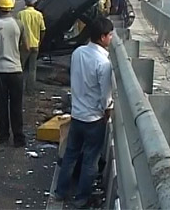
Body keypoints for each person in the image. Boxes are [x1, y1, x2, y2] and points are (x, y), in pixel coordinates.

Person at [55, 16, 114, 208]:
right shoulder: (104, 63)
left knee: (71, 154)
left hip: (77, 113)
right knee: (90, 160)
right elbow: (105, 95)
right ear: (103, 37)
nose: (112, 38)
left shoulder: (78, 52)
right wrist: (107, 111)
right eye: (110, 35)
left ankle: (60, 192)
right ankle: (81, 198)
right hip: (94, 118)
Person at [0, 0, 28, 148]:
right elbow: (27, 46)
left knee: (2, 105)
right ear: (11, 7)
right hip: (16, 70)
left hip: (1, 70)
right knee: (16, 105)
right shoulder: (19, 24)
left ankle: (3, 134)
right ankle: (19, 137)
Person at [18, 0, 46, 94]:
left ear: (26, 3)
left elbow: (18, 29)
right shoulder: (39, 14)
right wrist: (39, 41)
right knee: (32, 69)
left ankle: (18, 88)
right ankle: (30, 89)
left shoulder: (21, 14)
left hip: (24, 44)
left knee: (20, 67)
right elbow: (43, 30)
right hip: (35, 44)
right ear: (34, 3)